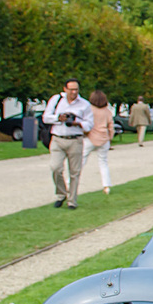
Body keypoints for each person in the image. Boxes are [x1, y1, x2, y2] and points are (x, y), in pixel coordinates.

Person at [43, 78, 94, 209]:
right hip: (58, 138)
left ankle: (72, 200)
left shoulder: (84, 104)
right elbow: (46, 117)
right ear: (65, 89)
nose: (74, 92)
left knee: (74, 172)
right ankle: (61, 194)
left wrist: (78, 122)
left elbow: (89, 124)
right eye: (71, 89)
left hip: (75, 139)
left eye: (76, 89)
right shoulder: (56, 100)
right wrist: (58, 118)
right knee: (55, 168)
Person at [82, 90, 113, 195]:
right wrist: (110, 138)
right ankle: (106, 186)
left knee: (81, 161)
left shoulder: (89, 110)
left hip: (90, 138)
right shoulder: (107, 111)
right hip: (104, 138)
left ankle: (70, 182)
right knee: (103, 162)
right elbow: (111, 127)